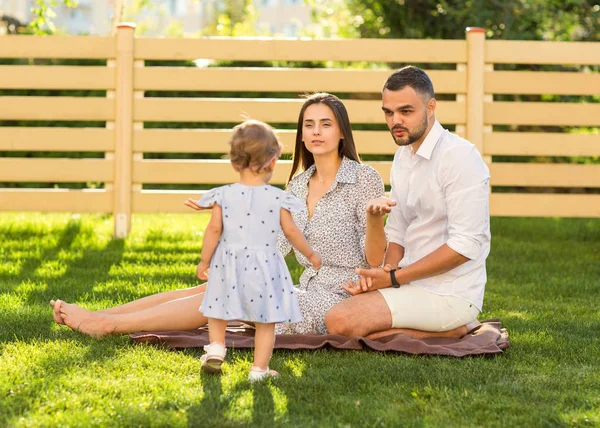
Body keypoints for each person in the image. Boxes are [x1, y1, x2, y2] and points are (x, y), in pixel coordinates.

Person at [50, 93, 386, 340]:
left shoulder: (364, 178)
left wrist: (373, 221)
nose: (316, 131)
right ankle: (99, 316)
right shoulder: (298, 184)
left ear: (342, 132)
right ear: (300, 134)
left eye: (325, 124)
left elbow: (375, 260)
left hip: (339, 301)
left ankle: (108, 326)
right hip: (300, 291)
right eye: (308, 124)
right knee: (210, 288)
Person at [325, 66, 491, 340]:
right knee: (333, 311)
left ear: (431, 107)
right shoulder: (403, 156)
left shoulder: (460, 157)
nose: (395, 121)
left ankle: (455, 328)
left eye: (405, 111)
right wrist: (384, 274)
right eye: (388, 112)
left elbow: (466, 245)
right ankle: (431, 328)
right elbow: (399, 230)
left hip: (450, 293)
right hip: (408, 281)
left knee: (339, 321)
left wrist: (392, 280)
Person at [193, 119, 321, 381]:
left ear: (233, 163)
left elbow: (214, 230)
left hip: (227, 261)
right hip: (265, 266)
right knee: (266, 320)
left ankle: (217, 346)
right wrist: (309, 254)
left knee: (219, 307)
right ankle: (259, 370)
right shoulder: (277, 198)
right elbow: (292, 232)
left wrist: (204, 261)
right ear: (273, 162)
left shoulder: (223, 195)